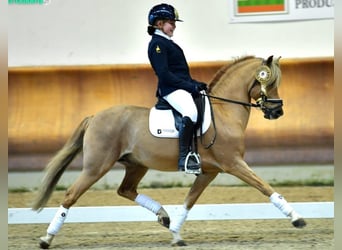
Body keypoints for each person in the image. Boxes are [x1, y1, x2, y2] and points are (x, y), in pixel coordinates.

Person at [147, 3, 207, 174]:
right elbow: (164, 74)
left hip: (178, 86)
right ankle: (184, 158)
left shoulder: (168, 43)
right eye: (171, 22)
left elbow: (179, 73)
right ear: (159, 24)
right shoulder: (157, 44)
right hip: (170, 90)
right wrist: (190, 86)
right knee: (191, 111)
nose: (174, 26)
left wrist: (195, 84)